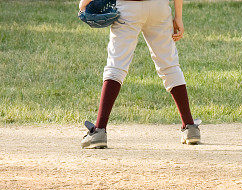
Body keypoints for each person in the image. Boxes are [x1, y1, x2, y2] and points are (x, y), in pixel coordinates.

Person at [79, 0, 200, 149]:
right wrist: (179, 17)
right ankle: (190, 127)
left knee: (116, 66)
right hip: (159, 8)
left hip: (128, 8)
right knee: (169, 65)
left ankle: (99, 131)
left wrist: (84, 3)